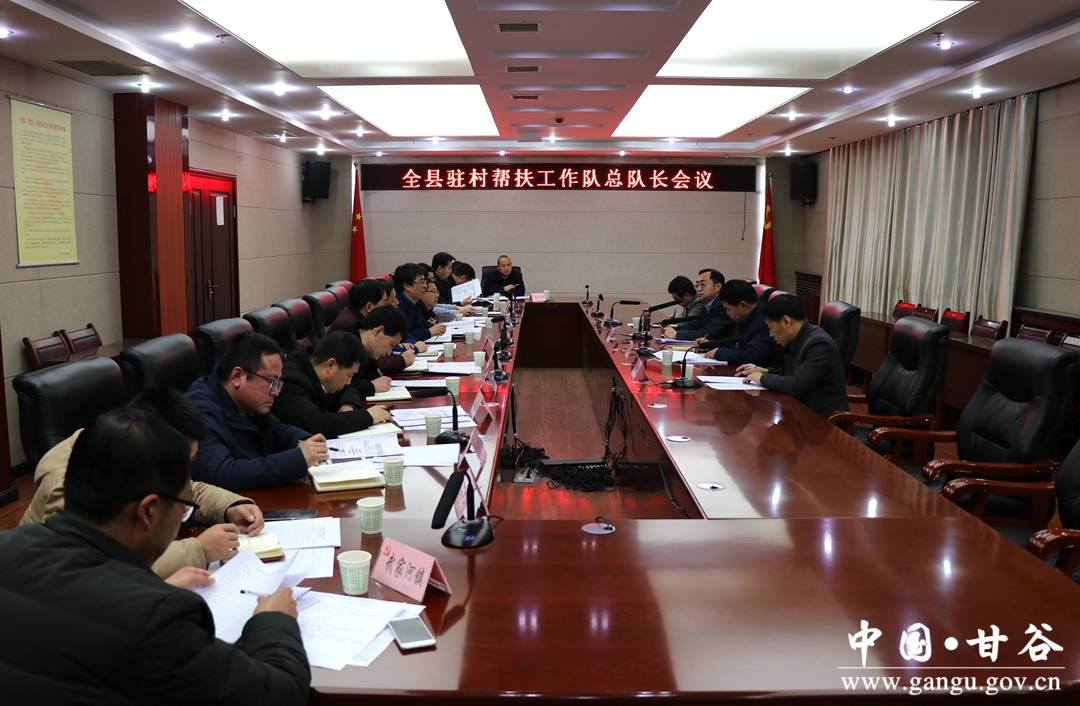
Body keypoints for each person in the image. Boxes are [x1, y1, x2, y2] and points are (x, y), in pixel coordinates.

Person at [0, 408, 309, 704]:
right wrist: (273, 622)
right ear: (148, 511)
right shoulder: (156, 620)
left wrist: (148, 590)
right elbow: (278, 694)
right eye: (183, 509)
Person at [19, 387, 265, 579]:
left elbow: (186, 489)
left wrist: (230, 505)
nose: (185, 473)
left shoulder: (131, 448)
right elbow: (98, 571)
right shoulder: (67, 485)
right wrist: (198, 550)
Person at [187, 331, 328, 491]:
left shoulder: (249, 403)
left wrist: (305, 442)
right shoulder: (198, 412)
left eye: (278, 383)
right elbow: (224, 474)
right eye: (271, 382)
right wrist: (298, 460)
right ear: (237, 376)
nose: (276, 392)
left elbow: (278, 430)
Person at [274, 324, 402, 437]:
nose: (348, 381)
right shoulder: (290, 383)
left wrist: (347, 406)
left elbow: (348, 389)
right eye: (349, 375)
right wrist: (367, 417)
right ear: (330, 366)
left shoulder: (313, 367)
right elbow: (316, 424)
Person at [735, 294, 850, 417]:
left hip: (823, 420)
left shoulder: (819, 344)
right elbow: (794, 374)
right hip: (802, 413)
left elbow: (797, 385)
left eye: (771, 327)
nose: (771, 334)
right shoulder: (801, 338)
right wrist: (766, 371)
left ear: (786, 322)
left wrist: (762, 378)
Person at [701, 280, 785, 368]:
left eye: (728, 309)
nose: (727, 313)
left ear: (743, 305)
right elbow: (736, 345)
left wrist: (719, 353)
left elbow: (753, 356)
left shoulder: (764, 323)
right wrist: (711, 345)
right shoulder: (747, 318)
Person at [663, 269, 736, 342]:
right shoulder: (706, 306)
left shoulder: (722, 306)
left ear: (718, 287)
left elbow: (708, 333)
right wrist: (671, 328)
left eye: (703, 284)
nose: (698, 289)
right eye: (697, 285)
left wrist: (676, 334)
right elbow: (695, 326)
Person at [394, 263, 446, 343]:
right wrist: (428, 332)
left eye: (425, 282)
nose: (425, 286)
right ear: (407, 286)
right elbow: (401, 338)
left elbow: (418, 328)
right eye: (421, 282)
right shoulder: (397, 306)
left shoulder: (413, 302)